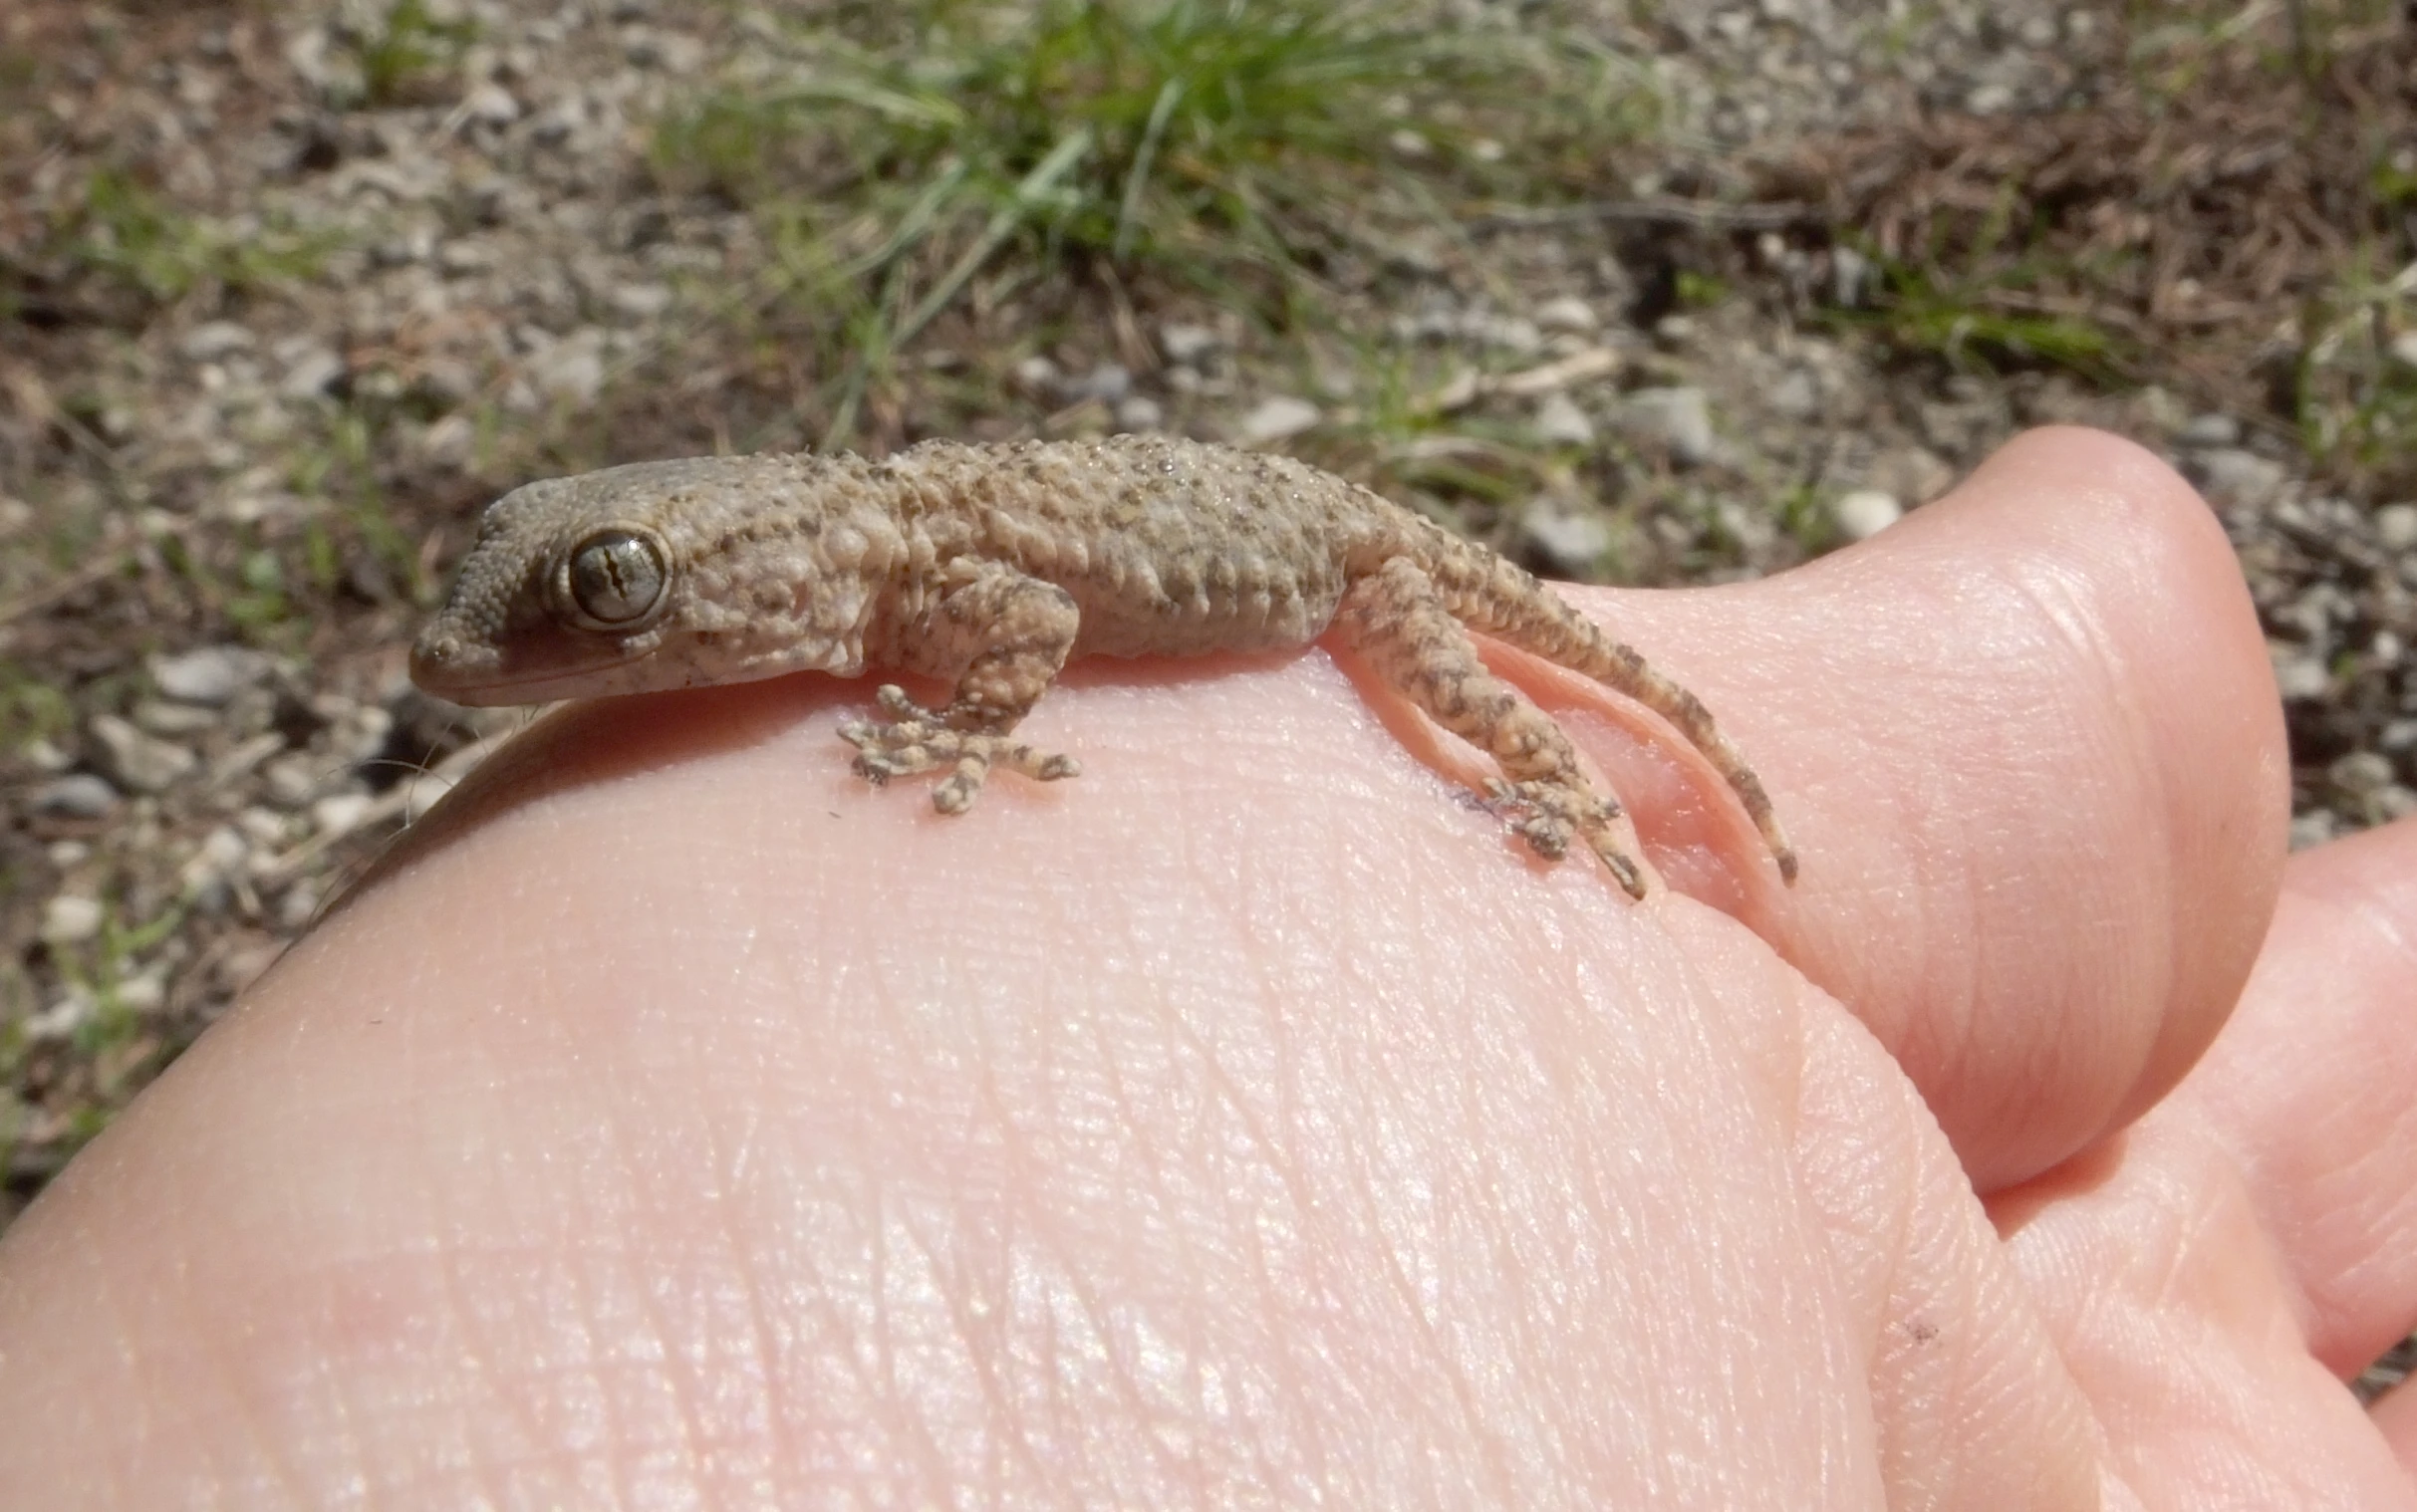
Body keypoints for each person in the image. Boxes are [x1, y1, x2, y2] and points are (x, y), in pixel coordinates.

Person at [3, 427, 2412, 1506]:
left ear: (739, 582)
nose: (541, 645)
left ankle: (1589, 787)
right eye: (575, 586)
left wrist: (959, 737)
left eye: (603, 601)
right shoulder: (840, 570)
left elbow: (1033, 617)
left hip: (1343, 566)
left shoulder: (924, 597)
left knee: (1506, 701)